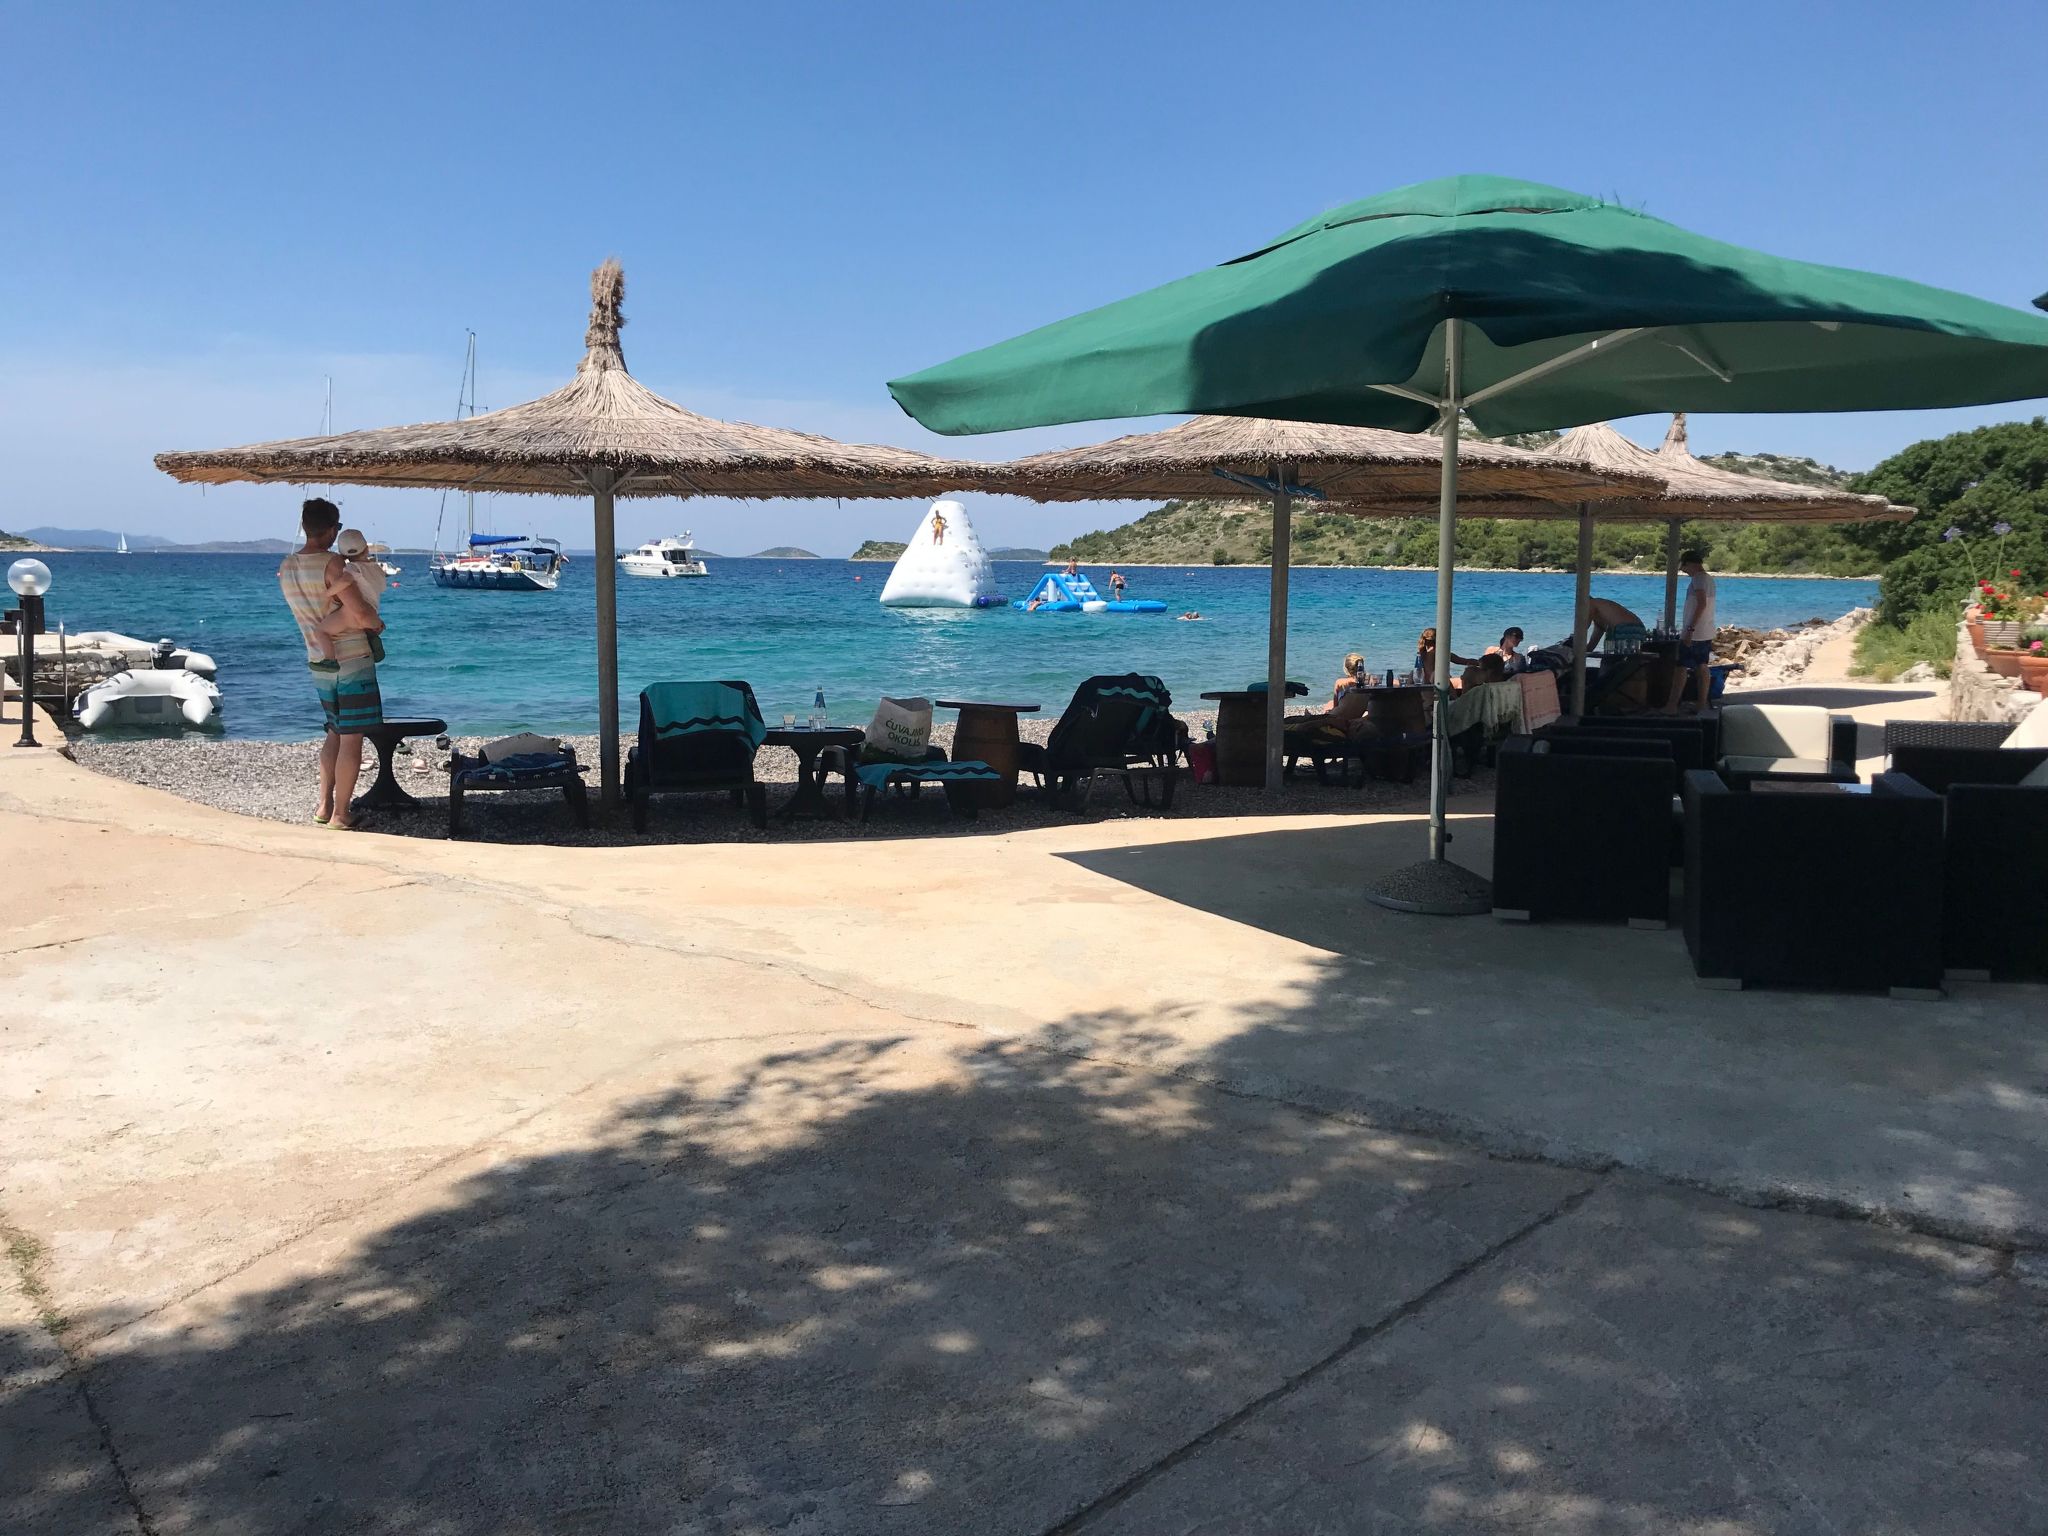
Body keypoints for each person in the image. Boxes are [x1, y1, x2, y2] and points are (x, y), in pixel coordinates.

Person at [278, 498, 382, 829]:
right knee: (352, 737)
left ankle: (324, 806)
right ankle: (341, 813)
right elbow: (361, 614)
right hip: (352, 659)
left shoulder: (288, 566)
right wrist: (377, 624)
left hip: (318, 659)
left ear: (305, 527)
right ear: (332, 530)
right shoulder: (334, 564)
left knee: (334, 731)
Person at [315, 529, 387, 663]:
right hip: (373, 613)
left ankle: (329, 660)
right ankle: (374, 644)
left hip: (352, 614)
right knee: (366, 629)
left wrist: (327, 593)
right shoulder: (377, 569)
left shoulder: (353, 568)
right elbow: (382, 587)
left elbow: (345, 581)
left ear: (343, 555)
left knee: (321, 631)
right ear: (366, 549)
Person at [1663, 550, 1717, 713]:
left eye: (1684, 565)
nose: (1683, 570)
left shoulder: (1698, 579)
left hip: (1695, 632)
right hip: (1706, 630)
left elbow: (1701, 604)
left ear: (1691, 564)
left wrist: (1689, 629)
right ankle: (1701, 704)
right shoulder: (1709, 579)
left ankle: (1672, 706)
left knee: (1681, 667)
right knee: (1702, 666)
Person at [1579, 596, 1646, 654]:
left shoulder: (1591, 603)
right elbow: (1591, 645)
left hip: (1623, 628)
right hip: (1640, 629)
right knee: (1630, 659)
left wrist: (1575, 642)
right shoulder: (1600, 617)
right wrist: (1580, 652)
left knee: (1610, 658)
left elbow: (1583, 627)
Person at [1450, 626, 1527, 673]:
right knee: (1470, 670)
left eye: (1521, 638)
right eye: (1516, 636)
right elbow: (1482, 665)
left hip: (1508, 683)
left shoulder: (1519, 657)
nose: (1519, 639)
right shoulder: (1492, 650)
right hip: (1492, 681)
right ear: (1507, 636)